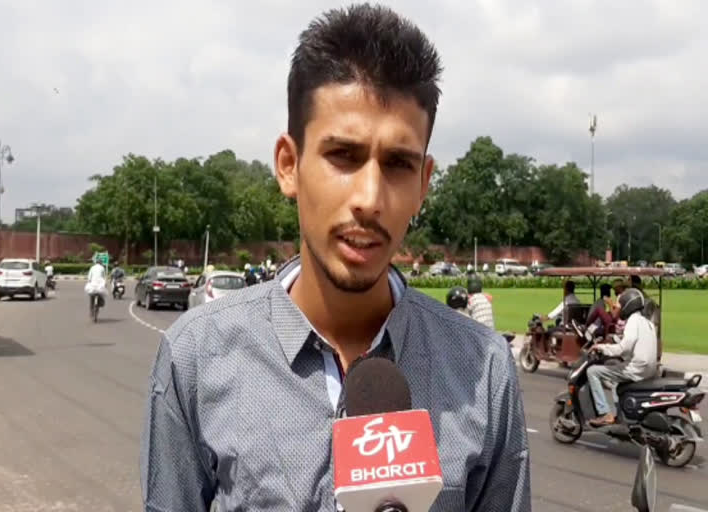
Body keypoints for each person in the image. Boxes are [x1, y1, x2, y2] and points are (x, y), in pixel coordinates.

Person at [141, 5, 529, 511]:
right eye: (343, 156)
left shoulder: (482, 371)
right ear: (288, 165)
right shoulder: (197, 359)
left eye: (397, 164)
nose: (370, 197)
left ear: (423, 184)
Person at [587, 288, 659, 426]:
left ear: (627, 305)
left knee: (593, 371)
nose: (618, 309)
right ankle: (620, 413)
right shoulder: (647, 322)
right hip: (649, 368)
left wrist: (602, 348)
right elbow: (632, 346)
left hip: (637, 368)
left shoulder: (633, 321)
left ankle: (604, 413)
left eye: (619, 306)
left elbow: (623, 348)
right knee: (616, 382)